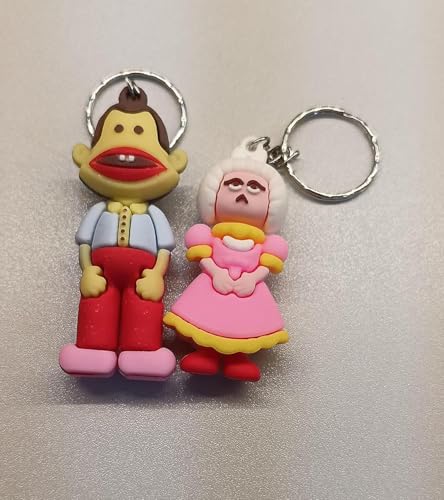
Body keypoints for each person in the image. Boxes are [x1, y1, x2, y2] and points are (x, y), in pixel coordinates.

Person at [164, 138, 289, 381]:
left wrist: (252, 279)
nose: (243, 192)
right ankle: (205, 355)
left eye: (255, 188)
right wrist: (215, 272)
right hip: (213, 284)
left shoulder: (267, 244)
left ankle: (237, 360)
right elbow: (203, 255)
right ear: (213, 195)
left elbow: (267, 264)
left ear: (272, 205)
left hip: (248, 290)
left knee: (244, 325)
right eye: (234, 185)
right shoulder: (207, 235)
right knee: (205, 319)